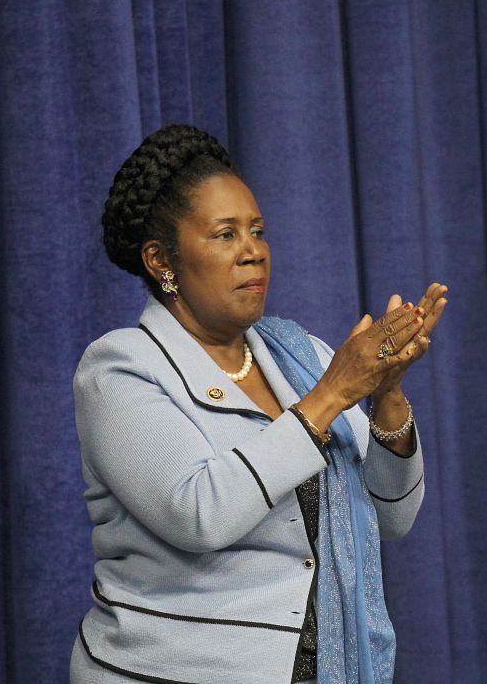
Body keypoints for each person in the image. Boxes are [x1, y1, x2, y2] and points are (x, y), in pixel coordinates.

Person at [68, 124, 447, 683]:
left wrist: (387, 396)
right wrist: (337, 392)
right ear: (161, 260)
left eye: (258, 231)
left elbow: (391, 517)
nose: (253, 252)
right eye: (225, 235)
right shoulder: (120, 370)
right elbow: (199, 514)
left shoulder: (302, 358)